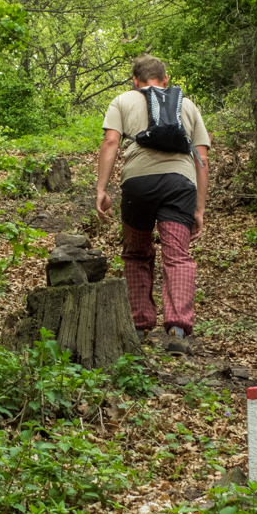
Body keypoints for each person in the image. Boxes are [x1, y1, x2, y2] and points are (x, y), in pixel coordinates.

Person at [95, 55, 210, 355]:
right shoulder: (187, 105)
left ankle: (139, 326)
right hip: (179, 185)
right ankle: (177, 331)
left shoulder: (122, 101)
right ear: (165, 80)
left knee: (136, 254)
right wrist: (199, 208)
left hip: (138, 186)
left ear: (135, 81)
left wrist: (102, 189)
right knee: (177, 257)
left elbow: (110, 142)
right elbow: (203, 159)